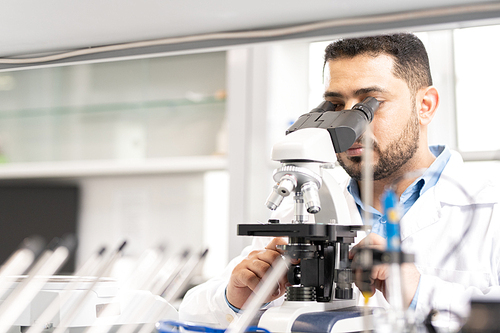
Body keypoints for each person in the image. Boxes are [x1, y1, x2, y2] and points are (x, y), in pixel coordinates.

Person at [178, 33, 500, 327]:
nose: (349, 124)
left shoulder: (490, 210)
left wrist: (418, 290)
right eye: (336, 105)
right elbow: (190, 310)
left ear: (425, 106)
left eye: (369, 104)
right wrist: (235, 297)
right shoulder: (309, 203)